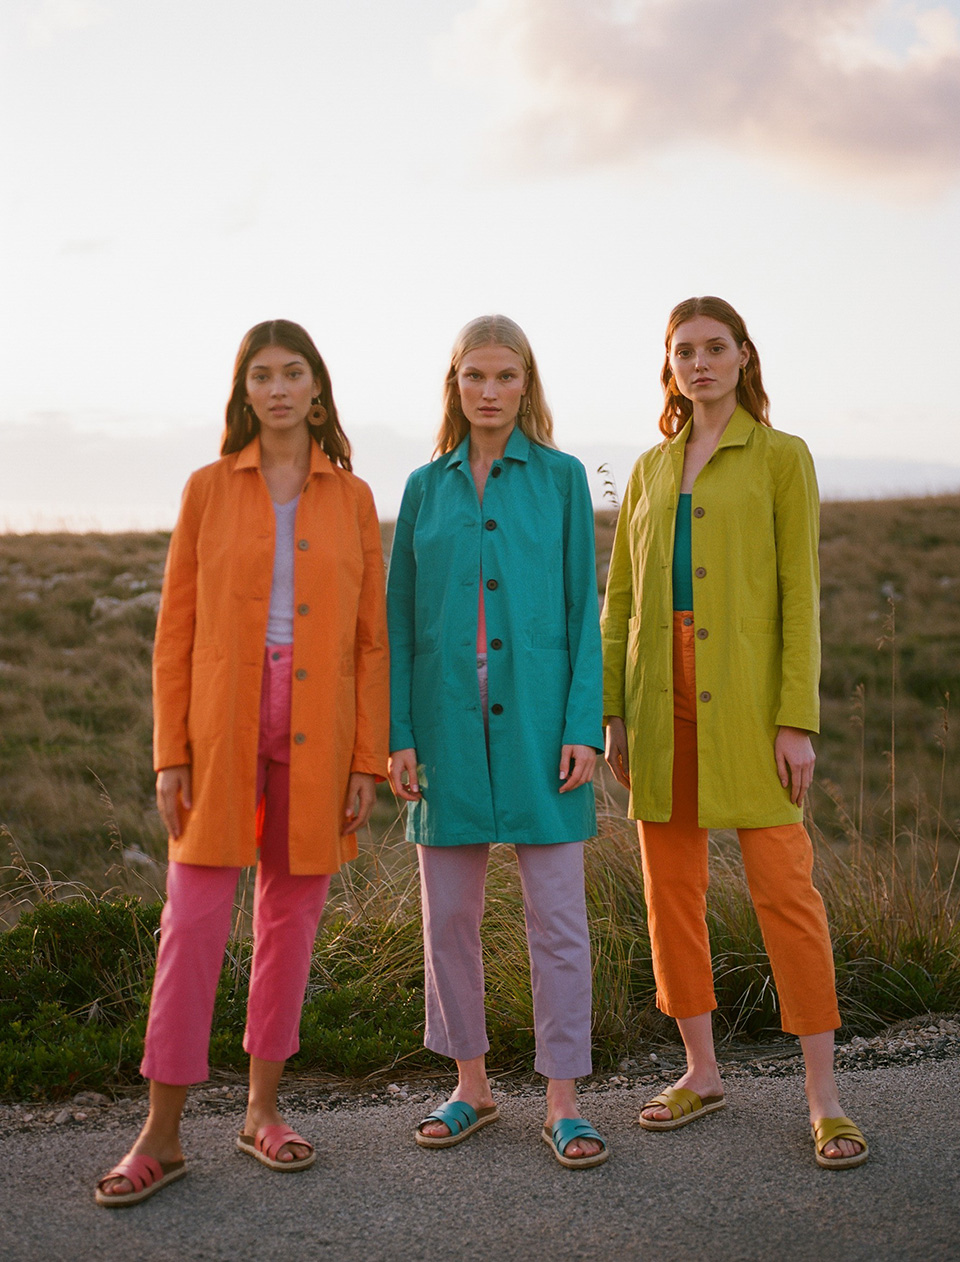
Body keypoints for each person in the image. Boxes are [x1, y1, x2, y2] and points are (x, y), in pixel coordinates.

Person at [95, 319, 390, 1206]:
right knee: (191, 923)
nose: (278, 388)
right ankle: (160, 1134)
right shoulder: (207, 487)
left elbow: (372, 641)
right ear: (244, 391)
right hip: (219, 728)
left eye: (293, 372)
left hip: (321, 730)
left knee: (289, 924)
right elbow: (173, 631)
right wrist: (169, 754)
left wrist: (366, 759)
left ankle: (264, 1112)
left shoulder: (354, 496)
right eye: (262, 375)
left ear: (317, 387)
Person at [601, 296, 868, 1170]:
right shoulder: (649, 468)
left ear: (744, 355)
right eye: (685, 351)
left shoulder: (783, 457)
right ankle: (701, 1072)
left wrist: (796, 720)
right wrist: (611, 709)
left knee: (787, 893)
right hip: (658, 700)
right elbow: (621, 600)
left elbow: (800, 595)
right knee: (669, 892)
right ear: (669, 365)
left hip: (750, 704)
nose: (700, 363)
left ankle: (824, 1097)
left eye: (716, 347)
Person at [387, 315, 608, 1169]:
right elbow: (401, 621)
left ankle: (565, 1102)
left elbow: (583, 613)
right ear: (454, 384)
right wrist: (401, 734)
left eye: (505, 376)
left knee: (558, 921)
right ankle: (471, 1087)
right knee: (449, 918)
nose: (489, 390)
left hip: (543, 727)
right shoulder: (423, 487)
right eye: (474, 375)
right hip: (444, 725)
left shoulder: (560, 479)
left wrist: (584, 726)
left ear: (526, 384)